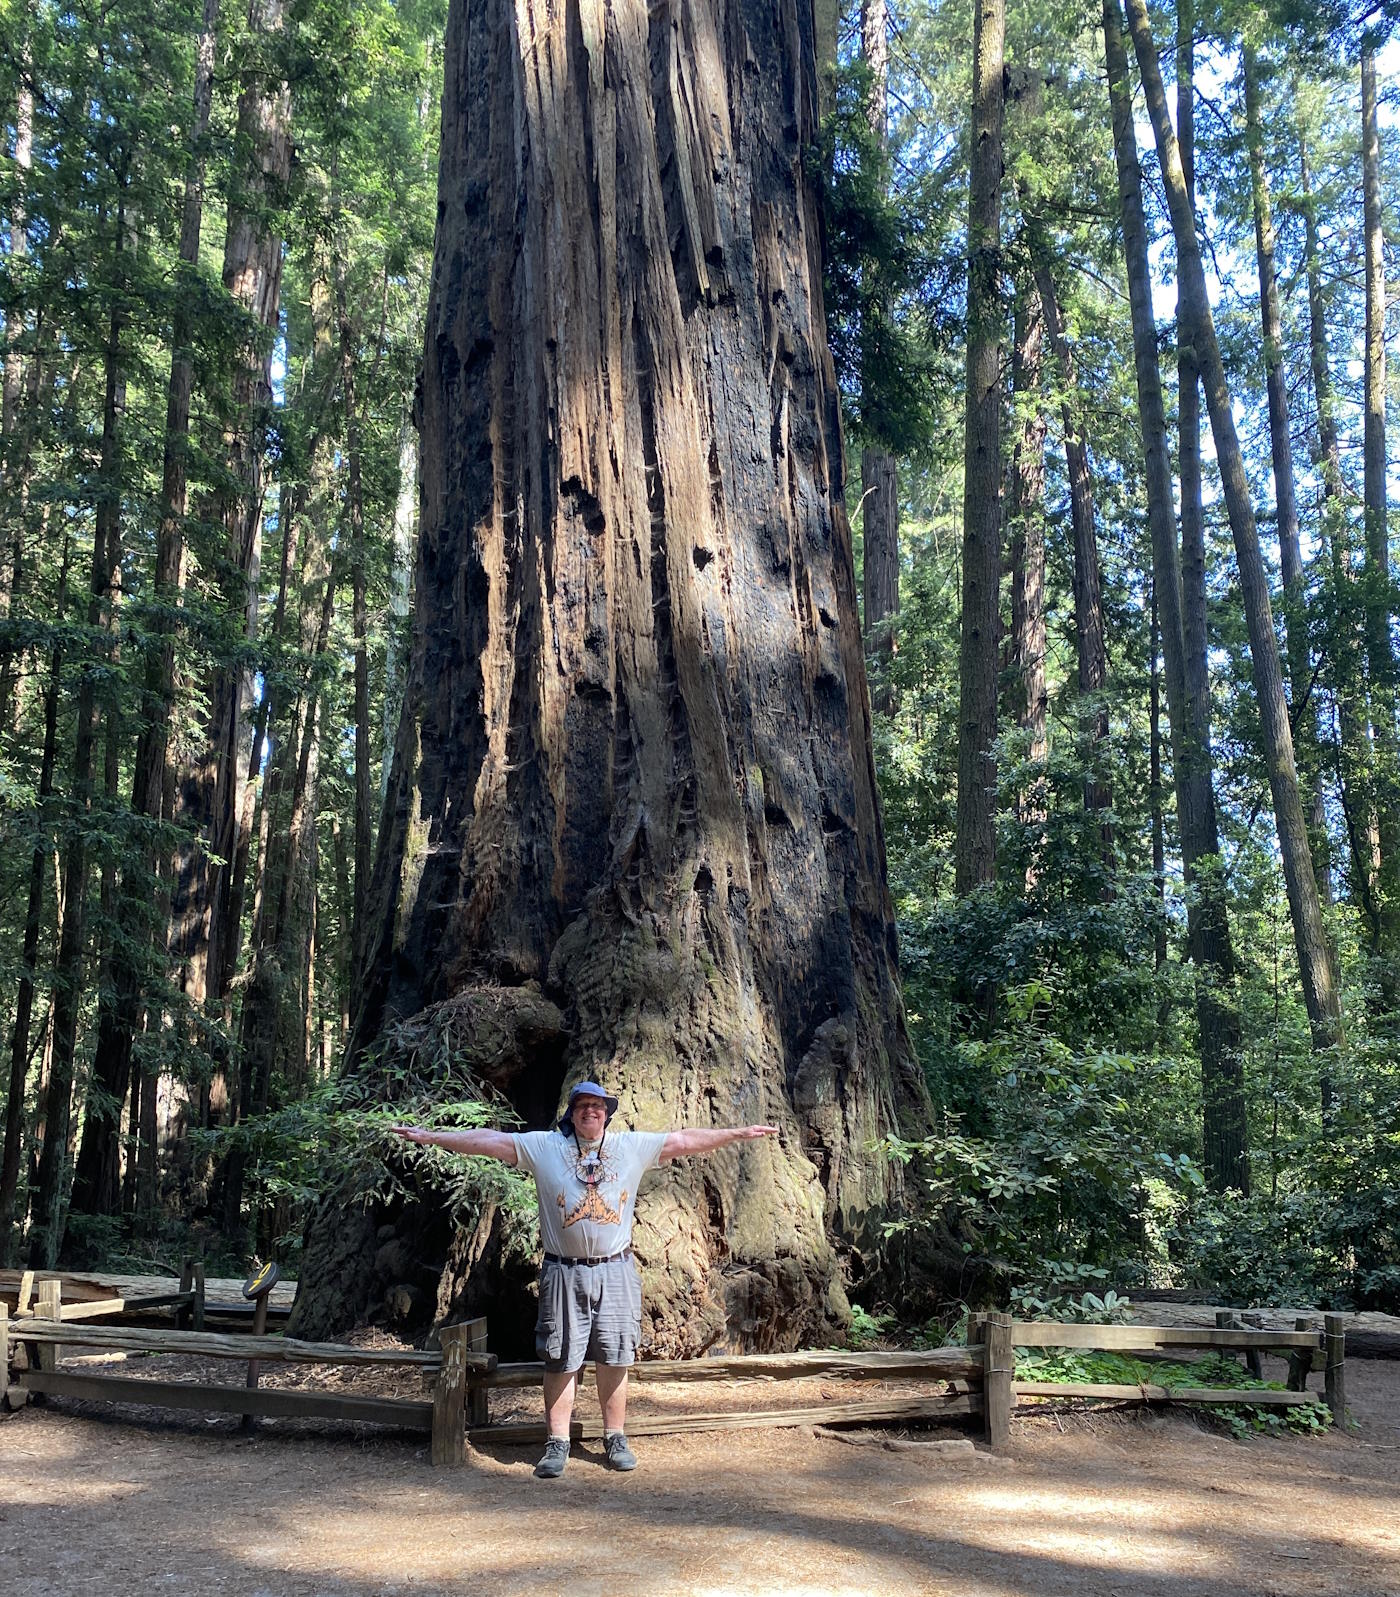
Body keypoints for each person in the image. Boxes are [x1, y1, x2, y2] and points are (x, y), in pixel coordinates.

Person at [391, 1082, 778, 1477]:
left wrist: (736, 1134)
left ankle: (615, 1437)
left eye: (597, 1106)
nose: (590, 1112)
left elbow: (684, 1140)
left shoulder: (631, 1147)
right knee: (560, 1357)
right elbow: (490, 1141)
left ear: (607, 1113)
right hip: (563, 1269)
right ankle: (556, 1443)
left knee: (615, 1355)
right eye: (582, 1106)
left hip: (616, 1269)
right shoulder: (545, 1148)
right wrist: (432, 1137)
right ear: (571, 1113)